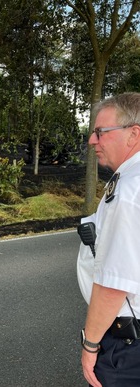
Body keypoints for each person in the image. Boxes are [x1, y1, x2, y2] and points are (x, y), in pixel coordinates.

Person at [77, 92, 140, 387]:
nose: (92, 140)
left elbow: (114, 282)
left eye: (101, 132)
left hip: (129, 348)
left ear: (133, 134)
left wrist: (90, 345)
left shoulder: (129, 190)